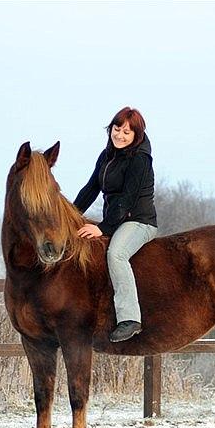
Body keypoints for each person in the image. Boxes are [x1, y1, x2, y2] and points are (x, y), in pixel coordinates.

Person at [73, 107, 158, 343]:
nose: (120, 135)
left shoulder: (140, 159)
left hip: (139, 222)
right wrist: (71, 216)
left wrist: (103, 228)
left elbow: (127, 199)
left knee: (116, 254)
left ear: (137, 135)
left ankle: (130, 319)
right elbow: (91, 188)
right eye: (117, 129)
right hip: (116, 220)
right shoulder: (107, 155)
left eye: (127, 132)